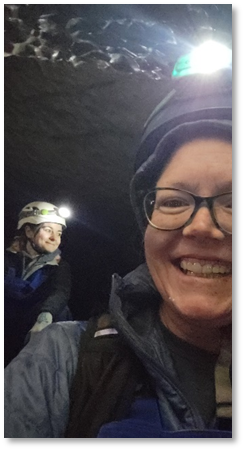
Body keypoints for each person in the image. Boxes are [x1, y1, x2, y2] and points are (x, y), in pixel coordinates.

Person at [4, 45, 232, 438]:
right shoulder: (61, 363)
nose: (200, 227)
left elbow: (59, 291)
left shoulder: (59, 272)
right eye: (174, 201)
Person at [4, 201, 73, 368]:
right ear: (28, 231)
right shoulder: (8, 259)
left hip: (31, 330)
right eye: (48, 230)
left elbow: (60, 291)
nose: (54, 238)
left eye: (58, 233)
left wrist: (45, 317)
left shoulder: (58, 266)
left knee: (61, 313)